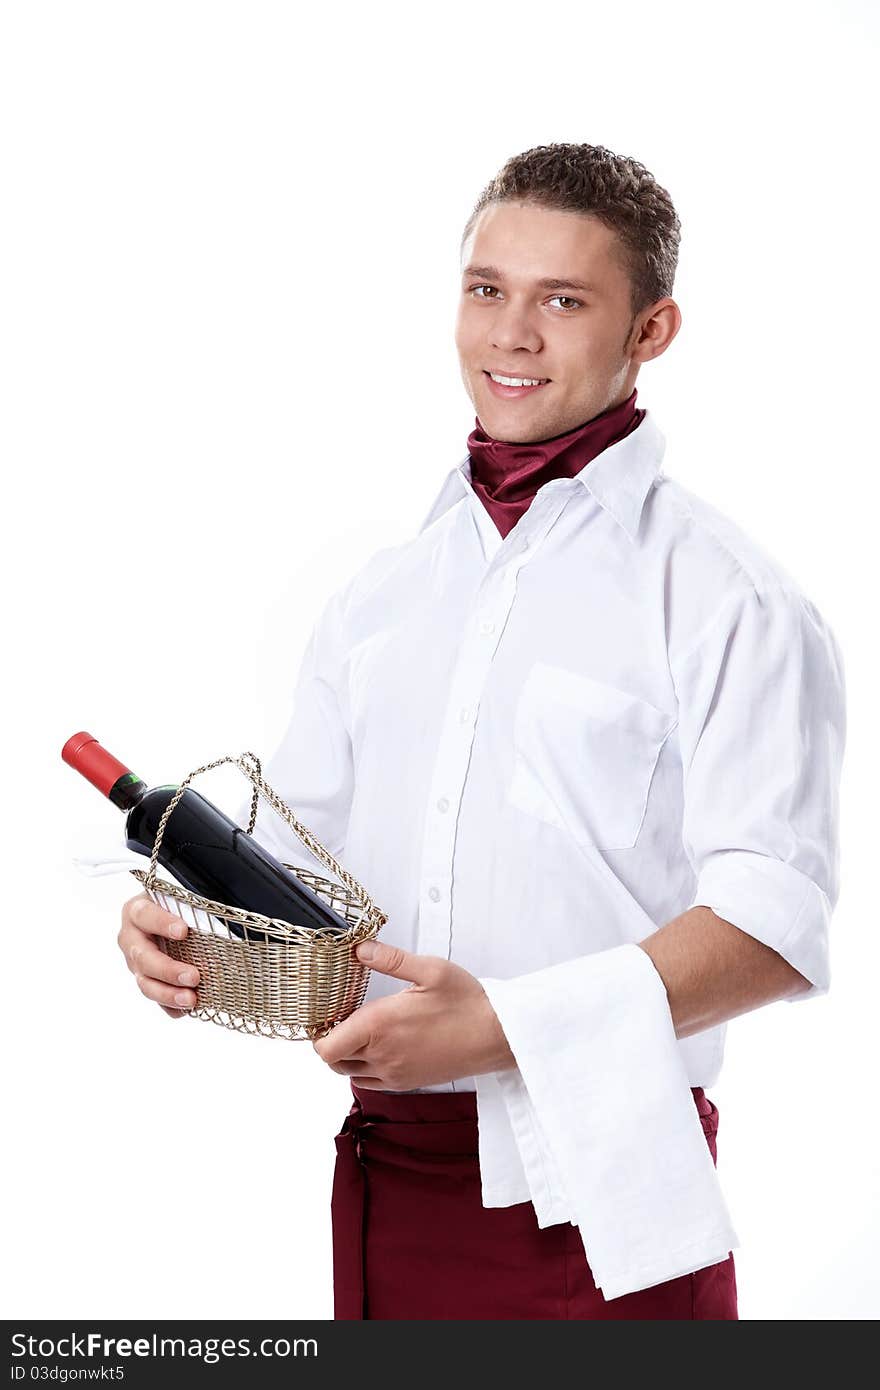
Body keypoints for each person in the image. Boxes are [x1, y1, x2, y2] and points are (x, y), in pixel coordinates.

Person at [116, 142, 846, 1320]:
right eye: (485, 289)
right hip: (383, 1175)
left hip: (605, 1194)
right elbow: (310, 878)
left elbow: (774, 924)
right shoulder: (380, 596)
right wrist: (196, 937)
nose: (511, 333)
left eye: (563, 300)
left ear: (651, 330)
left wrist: (503, 1028)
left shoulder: (727, 597)